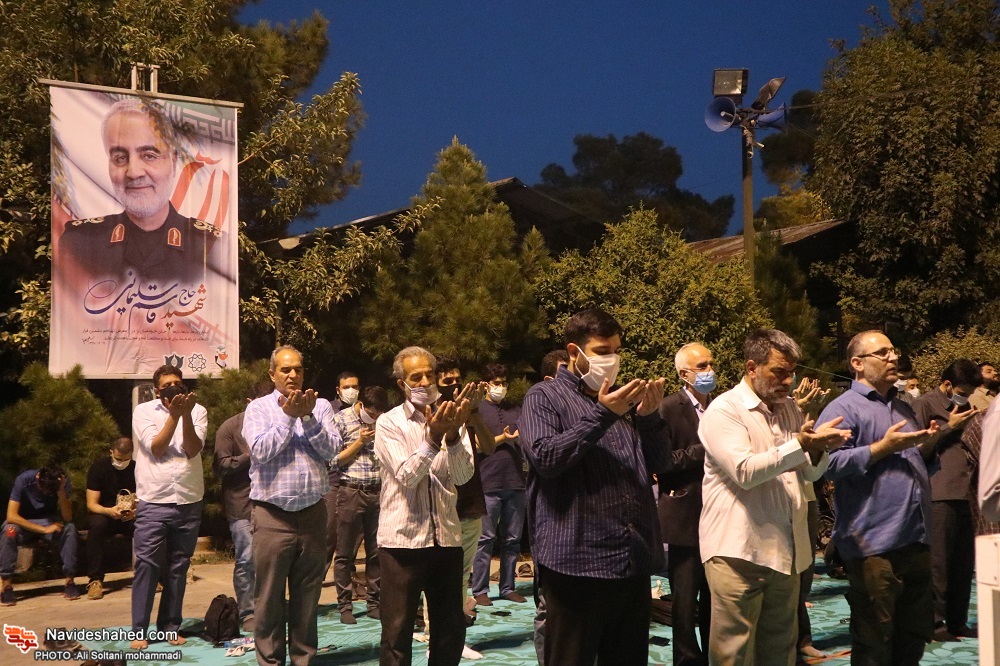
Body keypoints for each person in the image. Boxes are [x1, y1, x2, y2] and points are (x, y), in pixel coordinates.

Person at [520, 308, 670, 666]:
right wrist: (603, 415)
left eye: (616, 350)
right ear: (575, 352)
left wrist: (649, 419)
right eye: (602, 351)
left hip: (630, 561)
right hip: (576, 565)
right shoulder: (544, 397)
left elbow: (660, 466)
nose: (612, 359)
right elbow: (546, 457)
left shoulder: (621, 401)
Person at [698, 329, 848, 666]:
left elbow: (809, 475)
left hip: (785, 551)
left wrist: (817, 449)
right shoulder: (725, 410)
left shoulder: (789, 409)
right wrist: (800, 444)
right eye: (779, 372)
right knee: (734, 655)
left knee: (780, 651)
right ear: (752, 367)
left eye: (791, 372)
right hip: (739, 552)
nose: (788, 381)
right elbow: (745, 472)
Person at [817, 330, 941, 665]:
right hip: (874, 544)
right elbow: (826, 466)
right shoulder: (842, 408)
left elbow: (912, 463)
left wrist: (929, 447)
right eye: (882, 353)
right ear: (857, 364)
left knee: (914, 636)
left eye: (893, 350)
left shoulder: (903, 407)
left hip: (916, 538)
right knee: (874, 642)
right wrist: (880, 449)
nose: (893, 357)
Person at [375, 346, 475, 666]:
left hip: (445, 539)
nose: (424, 382)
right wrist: (433, 438)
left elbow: (463, 475)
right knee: (397, 633)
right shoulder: (389, 423)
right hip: (402, 543)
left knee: (449, 632)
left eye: (429, 375)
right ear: (401, 384)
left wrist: (454, 436)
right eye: (415, 376)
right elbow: (407, 476)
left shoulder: (452, 417)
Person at [243, 345, 341, 666]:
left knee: (308, 598)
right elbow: (260, 451)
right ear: (272, 374)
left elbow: (332, 451)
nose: (293, 375)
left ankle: (303, 660)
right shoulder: (258, 409)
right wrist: (288, 416)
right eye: (285, 369)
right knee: (269, 598)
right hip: (272, 517)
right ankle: (271, 661)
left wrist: (308, 417)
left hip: (313, 515)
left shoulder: (320, 406)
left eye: (298, 369)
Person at [58, 98, 224, 286]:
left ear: (173, 161)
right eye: (120, 158)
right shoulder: (80, 244)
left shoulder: (211, 247)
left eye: (149, 156)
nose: (134, 172)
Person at [130, 364, 206, 649]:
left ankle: (170, 627)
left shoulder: (197, 410)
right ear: (157, 390)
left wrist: (184, 414)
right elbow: (157, 447)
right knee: (147, 566)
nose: (173, 388)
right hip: (154, 500)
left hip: (188, 499)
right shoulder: (144, 411)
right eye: (167, 385)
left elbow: (192, 449)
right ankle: (139, 630)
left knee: (178, 567)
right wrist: (173, 415)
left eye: (178, 383)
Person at [655, 342, 716, 666]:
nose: (710, 371)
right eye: (702, 366)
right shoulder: (667, 408)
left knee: (715, 597)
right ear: (684, 374)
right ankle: (686, 659)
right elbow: (662, 462)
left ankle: (713, 655)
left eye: (711, 364)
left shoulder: (720, 406)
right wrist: (704, 450)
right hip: (684, 513)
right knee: (685, 597)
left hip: (720, 513)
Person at [912, 359, 981, 641]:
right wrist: (947, 427)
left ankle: (957, 620)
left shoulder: (967, 407)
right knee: (939, 562)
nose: (966, 397)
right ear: (948, 384)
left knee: (964, 563)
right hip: (939, 491)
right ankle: (935, 622)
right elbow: (916, 448)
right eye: (963, 391)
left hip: (969, 492)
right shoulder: (925, 404)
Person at [213, 380, 275, 633]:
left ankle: (270, 608)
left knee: (272, 559)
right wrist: (249, 455)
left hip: (271, 502)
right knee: (247, 558)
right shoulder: (230, 427)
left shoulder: (278, 424)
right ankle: (248, 612)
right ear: (249, 403)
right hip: (241, 503)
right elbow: (221, 466)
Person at [332, 385, 389, 624]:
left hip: (379, 491)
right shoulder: (341, 420)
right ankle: (345, 606)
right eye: (372, 414)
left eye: (379, 415)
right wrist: (359, 442)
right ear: (361, 405)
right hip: (351, 491)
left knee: (377, 552)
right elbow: (333, 460)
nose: (374, 418)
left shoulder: (384, 421)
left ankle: (374, 603)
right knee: (345, 553)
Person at [472, 363, 527, 606]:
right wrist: (502, 438)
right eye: (497, 383)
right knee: (485, 539)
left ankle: (507, 587)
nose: (501, 387)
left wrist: (520, 439)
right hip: (488, 482)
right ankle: (480, 589)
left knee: (513, 539)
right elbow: (475, 446)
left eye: (504, 383)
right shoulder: (478, 411)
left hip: (515, 482)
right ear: (486, 385)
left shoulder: (516, 409)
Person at [530, 350, 568, 666]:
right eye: (565, 371)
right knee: (550, 608)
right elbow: (547, 457)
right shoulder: (539, 406)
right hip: (554, 528)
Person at [0, 465, 80, 605]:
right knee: (9, 531)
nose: (46, 493)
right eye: (43, 489)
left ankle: (70, 581)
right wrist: (43, 530)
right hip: (23, 522)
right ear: (38, 477)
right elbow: (11, 516)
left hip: (49, 521)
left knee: (70, 529)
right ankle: (6, 584)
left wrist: (61, 491)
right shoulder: (23, 480)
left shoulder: (61, 483)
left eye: (50, 491)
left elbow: (68, 517)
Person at [84, 437, 137, 601]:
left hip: (129, 515)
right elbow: (91, 504)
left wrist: (135, 512)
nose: (121, 463)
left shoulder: (137, 469)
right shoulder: (99, 468)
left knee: (147, 526)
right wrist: (109, 511)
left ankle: (151, 575)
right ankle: (95, 580)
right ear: (111, 452)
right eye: (118, 459)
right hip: (105, 513)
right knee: (97, 526)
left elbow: (146, 498)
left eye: (125, 460)